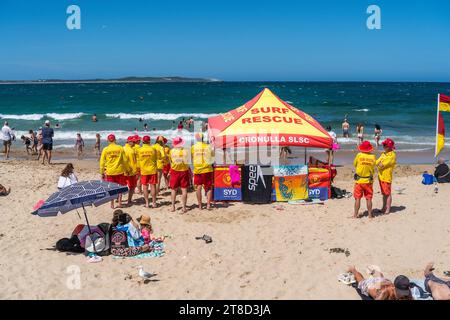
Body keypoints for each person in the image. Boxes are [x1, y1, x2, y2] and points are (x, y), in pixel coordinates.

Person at [99, 134, 130, 208]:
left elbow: (102, 162)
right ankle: (119, 203)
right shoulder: (120, 148)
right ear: (115, 140)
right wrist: (127, 169)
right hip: (119, 171)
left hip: (110, 171)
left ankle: (112, 204)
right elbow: (125, 160)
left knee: (111, 188)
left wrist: (102, 172)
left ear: (108, 140)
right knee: (120, 188)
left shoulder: (105, 149)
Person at [347, 266, 412, 300]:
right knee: (361, 282)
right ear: (394, 288)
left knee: (381, 279)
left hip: (385, 281)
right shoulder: (384, 293)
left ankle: (374, 273)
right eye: (400, 292)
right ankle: (353, 269)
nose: (402, 295)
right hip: (372, 287)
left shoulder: (407, 293)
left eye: (404, 292)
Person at [353, 141, 376, 219]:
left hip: (359, 181)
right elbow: (373, 167)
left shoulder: (359, 155)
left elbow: (355, 164)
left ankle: (355, 215)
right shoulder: (373, 157)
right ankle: (370, 215)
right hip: (368, 181)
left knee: (357, 198)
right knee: (369, 198)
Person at [191, 133, 214, 210]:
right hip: (207, 169)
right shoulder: (208, 147)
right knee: (208, 187)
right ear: (203, 138)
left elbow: (191, 158)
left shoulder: (193, 147)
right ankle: (208, 204)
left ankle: (200, 206)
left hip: (197, 169)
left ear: (196, 139)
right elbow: (213, 158)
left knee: (198, 188)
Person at [138, 135, 160, 208]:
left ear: (143, 141)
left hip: (144, 170)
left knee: (145, 187)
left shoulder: (140, 150)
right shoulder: (153, 149)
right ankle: (154, 203)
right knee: (153, 186)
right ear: (149, 141)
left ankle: (147, 203)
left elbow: (139, 160)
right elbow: (156, 158)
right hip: (152, 170)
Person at [169, 137, 190, 213]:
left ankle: (172, 206)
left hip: (175, 171)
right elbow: (188, 161)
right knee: (184, 189)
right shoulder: (186, 151)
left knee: (173, 189)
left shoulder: (172, 151)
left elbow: (171, 161)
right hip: (184, 171)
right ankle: (184, 207)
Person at [376, 138, 397, 214]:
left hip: (387, 177)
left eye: (385, 145)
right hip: (381, 176)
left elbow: (382, 165)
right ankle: (383, 208)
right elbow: (376, 162)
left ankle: (388, 209)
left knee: (387, 194)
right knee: (384, 194)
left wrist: (380, 164)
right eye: (383, 145)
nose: (383, 146)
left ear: (390, 146)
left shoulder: (392, 155)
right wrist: (379, 164)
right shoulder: (383, 154)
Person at [123, 136, 139, 205]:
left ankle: (118, 199)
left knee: (122, 186)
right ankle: (129, 200)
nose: (135, 143)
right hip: (131, 171)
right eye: (134, 142)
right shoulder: (132, 150)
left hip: (123, 170)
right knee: (132, 187)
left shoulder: (122, 148)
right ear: (129, 142)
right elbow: (135, 161)